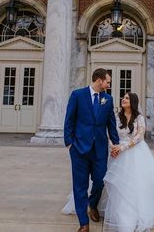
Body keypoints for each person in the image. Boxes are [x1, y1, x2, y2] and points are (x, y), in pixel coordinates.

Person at [98, 92, 154, 232]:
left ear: (133, 101)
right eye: (123, 97)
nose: (123, 99)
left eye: (127, 98)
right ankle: (117, 210)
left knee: (134, 183)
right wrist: (113, 146)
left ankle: (135, 213)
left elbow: (140, 136)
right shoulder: (117, 117)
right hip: (117, 152)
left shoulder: (139, 118)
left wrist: (123, 147)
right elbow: (110, 132)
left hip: (134, 152)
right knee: (117, 182)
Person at [64, 68, 120, 232]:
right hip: (79, 149)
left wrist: (115, 144)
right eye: (107, 82)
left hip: (100, 149)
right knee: (80, 185)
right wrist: (69, 143)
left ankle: (93, 204)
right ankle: (84, 223)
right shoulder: (77, 95)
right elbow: (69, 120)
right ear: (99, 80)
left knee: (100, 179)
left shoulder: (108, 99)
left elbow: (111, 124)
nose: (109, 85)